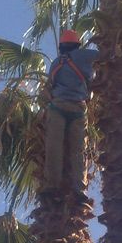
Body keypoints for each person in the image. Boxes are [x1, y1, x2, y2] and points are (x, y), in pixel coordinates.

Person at [43, 29, 99, 199]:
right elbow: (105, 56)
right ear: (77, 44)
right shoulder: (84, 55)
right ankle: (79, 189)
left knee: (54, 147)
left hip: (57, 107)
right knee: (78, 150)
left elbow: (49, 87)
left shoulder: (55, 63)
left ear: (61, 47)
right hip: (78, 109)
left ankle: (51, 186)